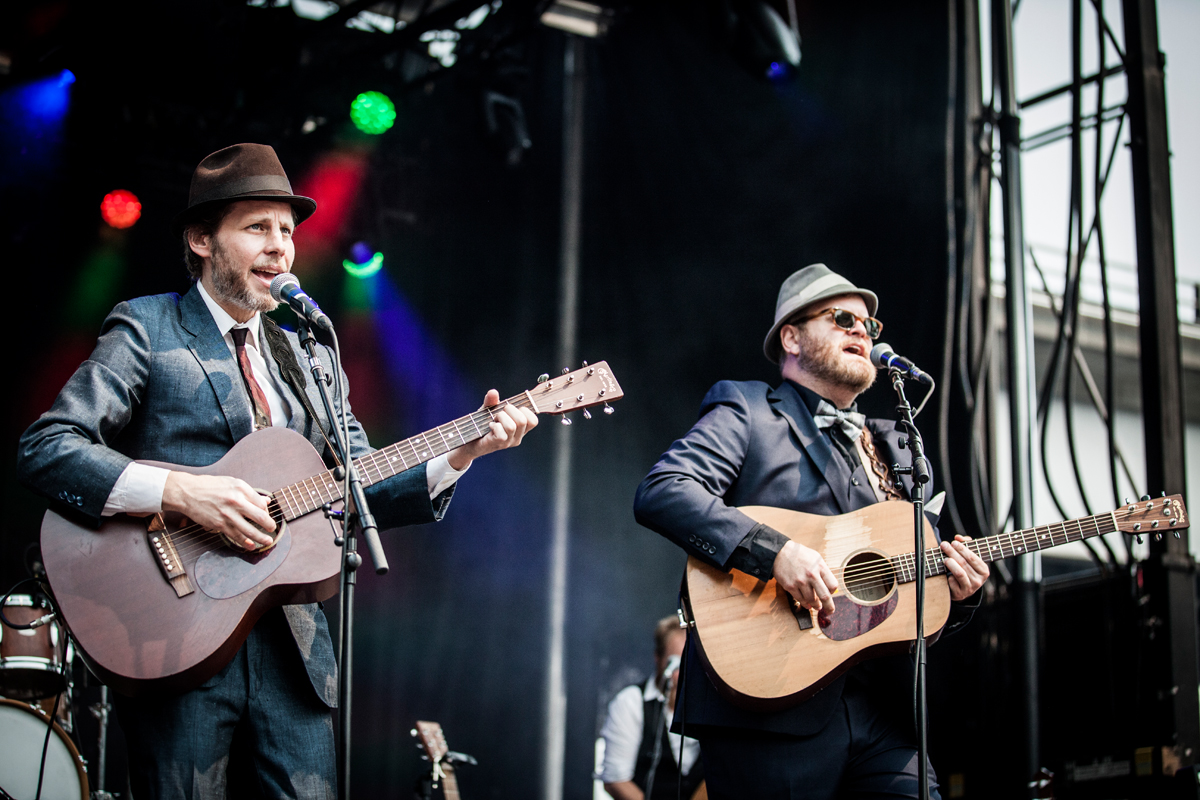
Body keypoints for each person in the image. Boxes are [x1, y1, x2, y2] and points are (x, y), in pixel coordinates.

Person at [17, 143, 538, 799]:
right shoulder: (151, 328)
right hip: (175, 634)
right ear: (202, 239)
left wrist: (465, 452)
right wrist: (181, 493)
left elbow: (357, 480)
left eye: (287, 231)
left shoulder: (310, 355)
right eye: (257, 227)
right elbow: (48, 446)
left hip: (293, 650)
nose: (280, 247)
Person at [632, 264, 989, 800]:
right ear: (791, 337)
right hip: (767, 703)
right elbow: (665, 490)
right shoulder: (749, 408)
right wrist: (774, 553)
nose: (861, 332)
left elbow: (907, 586)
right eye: (843, 318)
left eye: (870, 325)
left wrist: (959, 593)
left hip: (883, 713)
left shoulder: (897, 449)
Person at [598, 616, 703, 800]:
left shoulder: (712, 706)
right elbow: (616, 779)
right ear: (658, 658)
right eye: (677, 663)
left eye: (692, 661)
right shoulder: (631, 702)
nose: (686, 671)